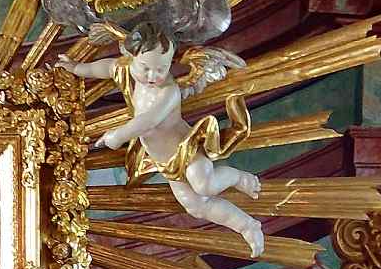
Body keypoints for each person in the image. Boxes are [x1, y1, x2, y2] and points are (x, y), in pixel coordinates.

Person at [61, 26, 263, 256]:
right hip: (165, 161)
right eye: (145, 68)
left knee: (204, 186)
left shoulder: (168, 92)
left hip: (186, 150)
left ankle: (239, 178)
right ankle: (246, 225)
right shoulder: (125, 70)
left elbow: (148, 120)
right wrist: (76, 68)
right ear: (130, 56)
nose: (153, 76)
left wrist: (119, 135)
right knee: (196, 207)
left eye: (162, 68)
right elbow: (106, 67)